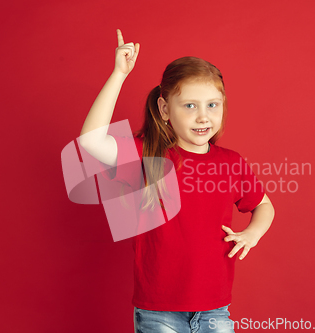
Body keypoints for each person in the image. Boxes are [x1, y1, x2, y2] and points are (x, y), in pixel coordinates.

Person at [79, 29, 275, 333]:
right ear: (165, 109)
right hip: (159, 312)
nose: (203, 117)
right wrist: (119, 74)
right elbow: (91, 142)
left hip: (215, 309)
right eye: (190, 105)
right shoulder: (147, 153)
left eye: (213, 104)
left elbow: (264, 206)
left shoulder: (231, 162)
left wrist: (253, 233)